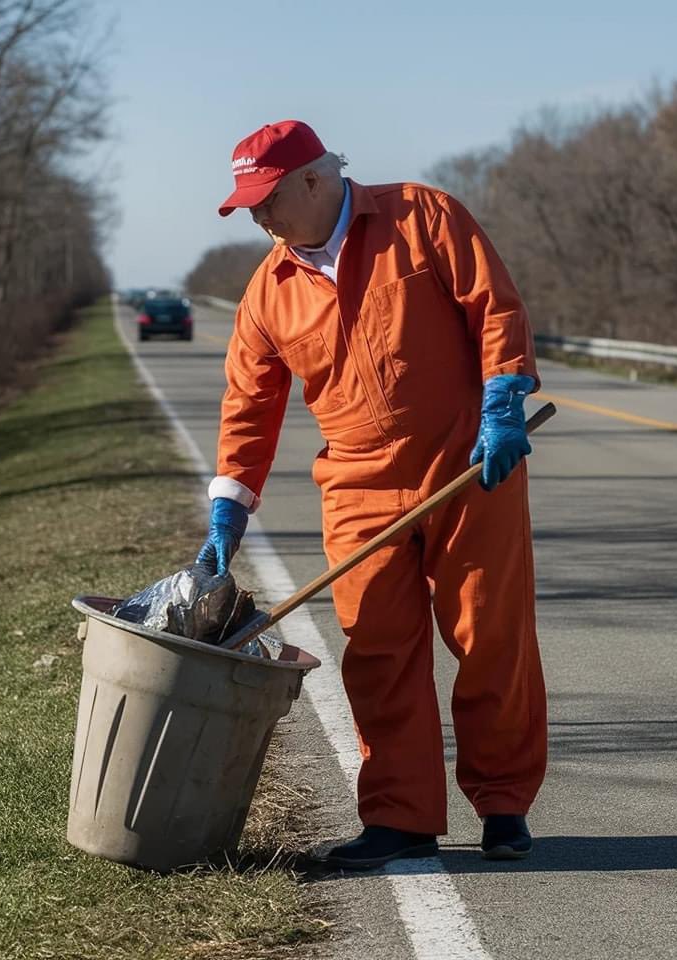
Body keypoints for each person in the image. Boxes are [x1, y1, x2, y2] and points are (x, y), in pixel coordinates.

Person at [196, 119, 547, 869]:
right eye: (249, 206)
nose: (260, 218)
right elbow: (249, 406)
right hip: (357, 484)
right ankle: (400, 818)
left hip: (467, 466)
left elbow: (496, 309)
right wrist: (230, 502)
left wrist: (504, 399)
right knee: (378, 651)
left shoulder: (424, 217)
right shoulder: (269, 290)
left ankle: (504, 803)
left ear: (316, 181)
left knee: (490, 639)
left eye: (268, 199)